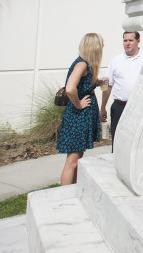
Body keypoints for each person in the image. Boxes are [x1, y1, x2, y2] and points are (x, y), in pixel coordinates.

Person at [57, 33, 106, 185]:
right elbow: (70, 88)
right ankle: (66, 195)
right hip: (78, 117)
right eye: (101, 46)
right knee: (72, 161)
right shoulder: (82, 64)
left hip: (81, 117)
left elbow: (81, 84)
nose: (102, 49)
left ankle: (74, 190)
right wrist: (79, 104)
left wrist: (97, 82)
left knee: (76, 159)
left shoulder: (85, 65)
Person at [100, 31, 143, 150]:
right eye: (125, 41)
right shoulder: (115, 61)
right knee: (117, 141)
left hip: (139, 107)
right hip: (119, 107)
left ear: (138, 41)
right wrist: (102, 107)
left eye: (131, 40)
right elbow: (107, 86)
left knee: (138, 142)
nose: (127, 43)